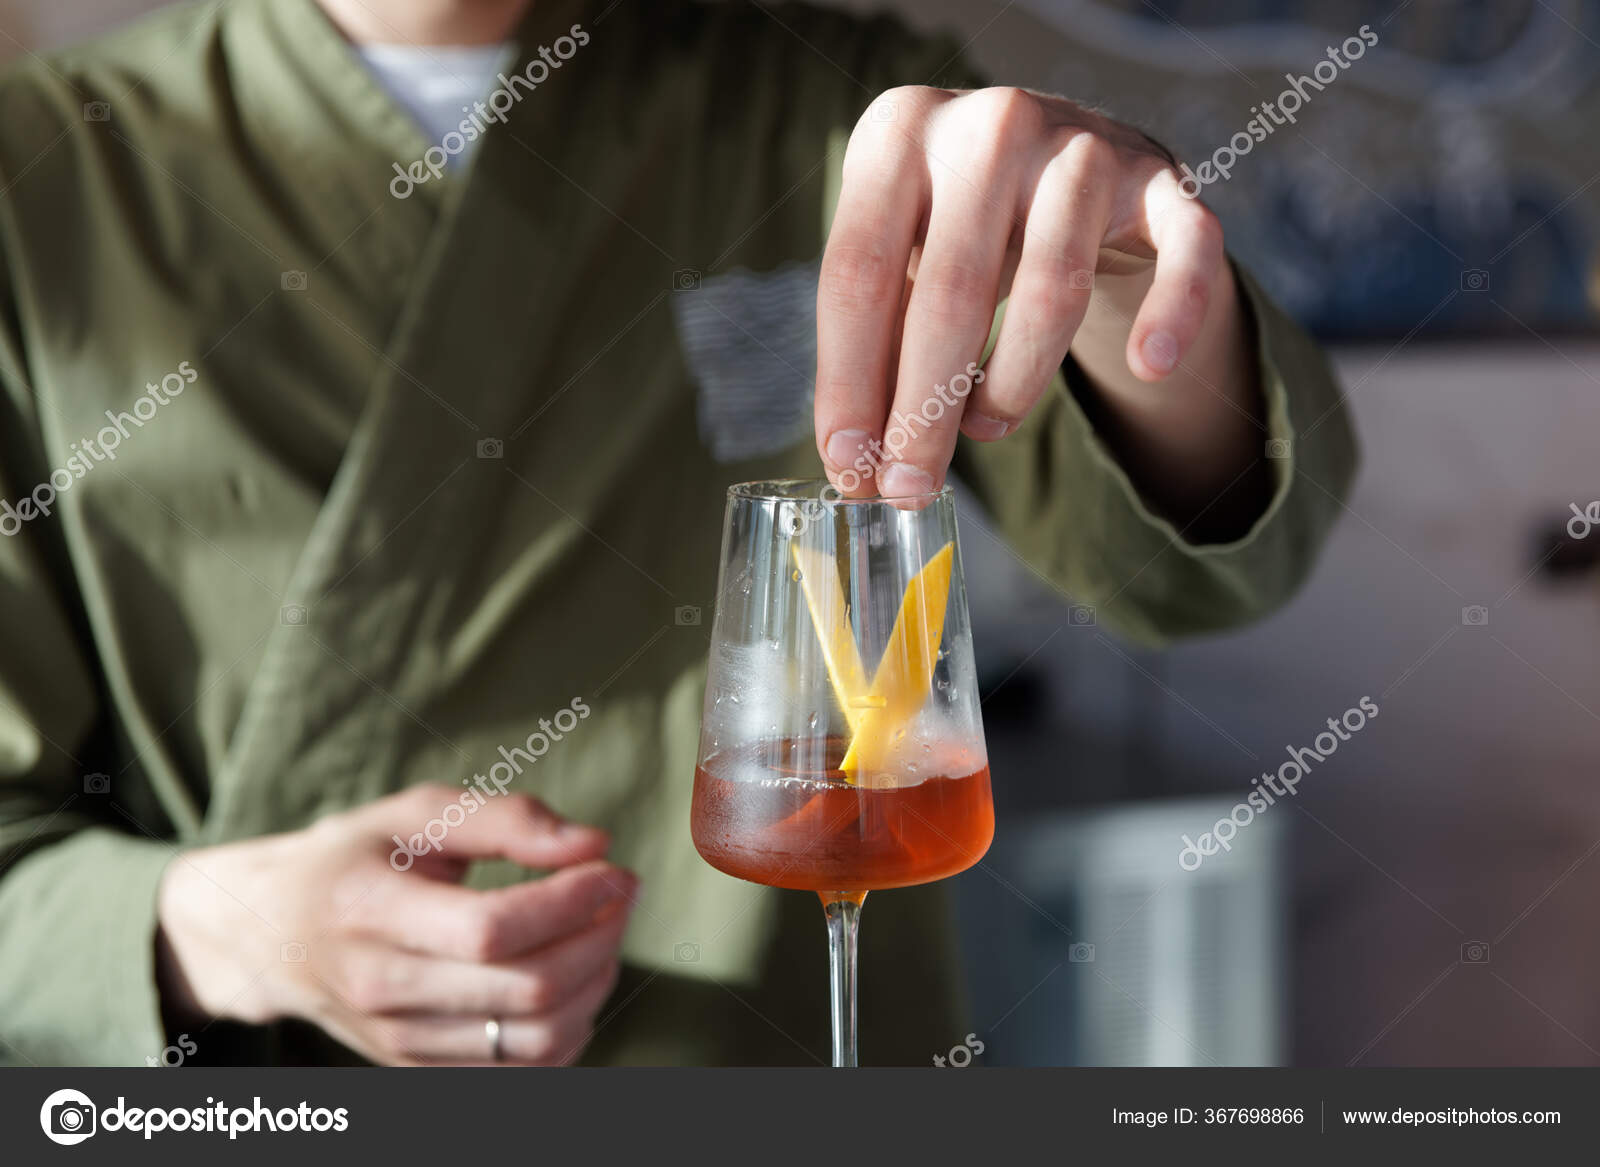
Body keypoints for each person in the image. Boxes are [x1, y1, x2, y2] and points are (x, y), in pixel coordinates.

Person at [0, 0, 1354, 1066]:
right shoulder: (42, 173)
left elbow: (1207, 565)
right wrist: (208, 928)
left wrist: (1125, 286)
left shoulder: (833, 108)